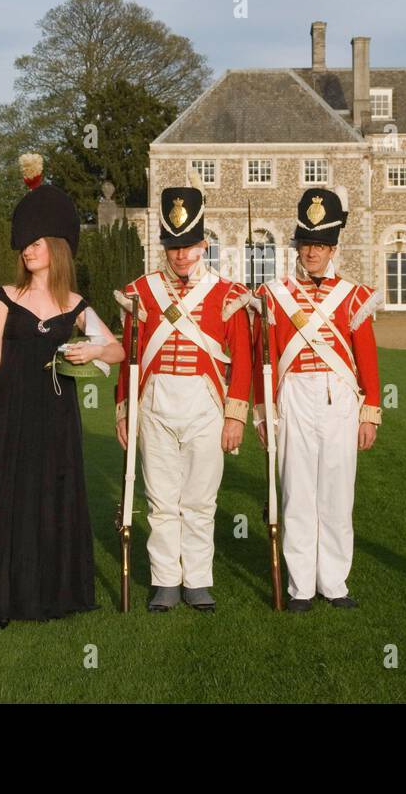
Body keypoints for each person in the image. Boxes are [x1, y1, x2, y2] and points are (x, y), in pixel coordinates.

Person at [0, 158, 123, 627]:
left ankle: (52, 592)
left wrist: (88, 350)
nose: (27, 251)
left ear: (56, 247)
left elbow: (116, 350)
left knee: (50, 500)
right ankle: (3, 595)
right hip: (8, 415)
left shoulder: (75, 305)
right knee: (9, 500)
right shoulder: (3, 298)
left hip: (55, 418)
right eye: (24, 244)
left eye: (36, 243)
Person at [115, 185, 252, 613]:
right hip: (155, 400)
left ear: (203, 245)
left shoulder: (227, 292)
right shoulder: (141, 292)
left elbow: (243, 360)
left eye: (188, 245)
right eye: (173, 246)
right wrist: (124, 410)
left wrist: (236, 417)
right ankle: (164, 581)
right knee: (160, 499)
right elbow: (129, 357)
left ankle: (197, 579)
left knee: (199, 499)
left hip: (205, 400)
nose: (180, 255)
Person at [252, 187, 382, 612]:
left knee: (337, 493)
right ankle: (300, 586)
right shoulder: (274, 295)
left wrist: (370, 412)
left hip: (341, 397)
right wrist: (263, 414)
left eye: (321, 245)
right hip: (294, 395)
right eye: (307, 244)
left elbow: (366, 358)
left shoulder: (353, 296)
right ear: (298, 246)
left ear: (333, 249)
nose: (313, 253)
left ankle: (335, 583)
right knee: (297, 492)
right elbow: (265, 359)